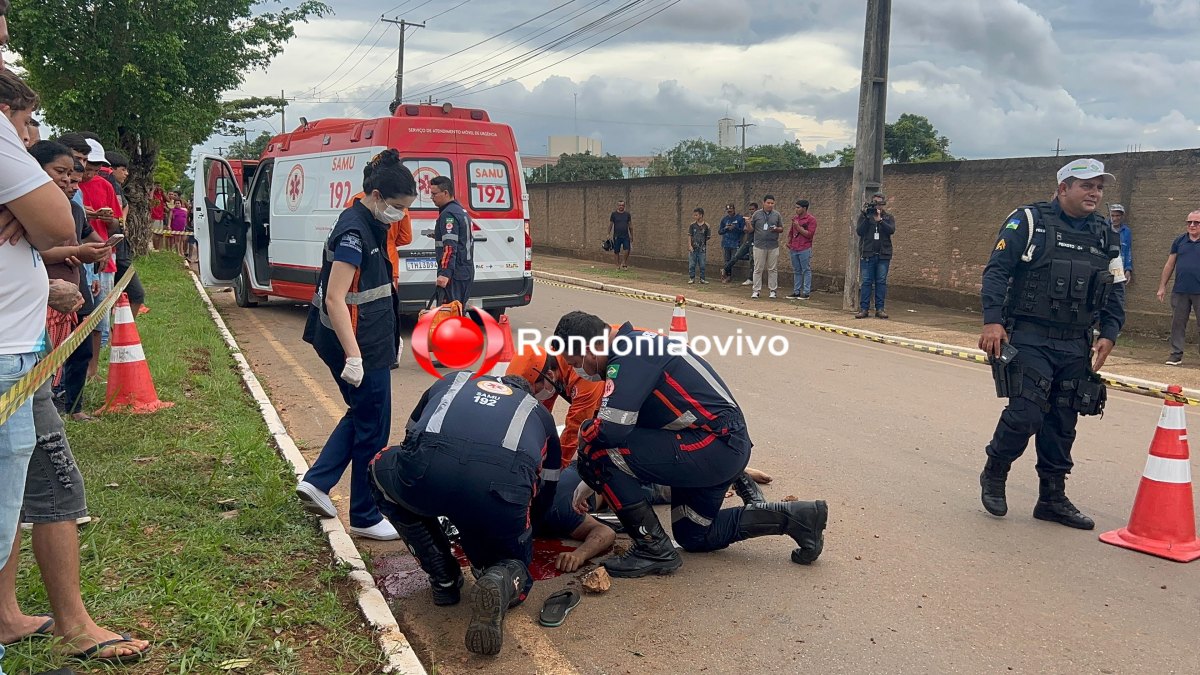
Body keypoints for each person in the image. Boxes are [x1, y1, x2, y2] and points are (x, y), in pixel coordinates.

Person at [553, 311, 828, 578]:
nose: (580, 370)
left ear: (589, 349)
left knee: (594, 443)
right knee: (694, 534)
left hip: (712, 445)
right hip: (718, 446)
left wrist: (589, 472)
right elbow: (628, 426)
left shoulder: (630, 356)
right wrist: (589, 481)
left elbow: (610, 433)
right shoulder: (636, 345)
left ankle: (652, 548)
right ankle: (798, 517)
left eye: (576, 361)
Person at [978, 158, 1125, 530]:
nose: (1095, 193)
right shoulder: (1028, 221)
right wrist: (993, 320)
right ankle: (995, 471)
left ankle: (1052, 498)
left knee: (1063, 418)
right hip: (1029, 335)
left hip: (1076, 340)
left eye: (1099, 187)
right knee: (1027, 412)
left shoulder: (1106, 234)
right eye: (1086, 186)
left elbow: (1116, 286)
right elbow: (997, 270)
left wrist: (1110, 331)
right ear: (1063, 189)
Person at [369, 372, 562, 656]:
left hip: (428, 473)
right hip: (499, 494)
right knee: (510, 561)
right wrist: (524, 532)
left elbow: (410, 438)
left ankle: (443, 577)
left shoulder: (454, 380)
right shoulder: (539, 414)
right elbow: (547, 489)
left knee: (379, 469)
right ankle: (500, 576)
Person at [296, 150, 417, 541]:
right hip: (354, 343)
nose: (400, 214)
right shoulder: (354, 231)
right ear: (378, 195)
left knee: (365, 415)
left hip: (369, 339)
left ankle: (317, 481)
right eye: (398, 207)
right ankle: (365, 514)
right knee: (373, 427)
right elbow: (335, 297)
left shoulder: (372, 223)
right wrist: (354, 357)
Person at [0, 64, 77, 675]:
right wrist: (37, 223)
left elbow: (47, 231)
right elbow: (57, 221)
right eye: (24, 126)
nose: (28, 139)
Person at [103, 150, 145, 316]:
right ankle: (122, 335)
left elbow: (124, 205)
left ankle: (122, 334)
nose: (126, 173)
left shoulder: (117, 187)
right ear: (111, 169)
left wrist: (123, 221)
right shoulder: (108, 182)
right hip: (112, 252)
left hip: (121, 250)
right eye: (123, 169)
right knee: (136, 293)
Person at [1157, 210, 1200, 366]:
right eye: (1189, 222)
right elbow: (1169, 264)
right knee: (1178, 323)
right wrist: (1162, 286)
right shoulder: (1179, 241)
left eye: (1196, 222)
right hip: (1180, 290)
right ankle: (1176, 354)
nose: (1192, 225)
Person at [430, 176, 474, 307]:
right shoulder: (460, 211)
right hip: (465, 271)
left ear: (445, 193)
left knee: (449, 313)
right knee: (458, 310)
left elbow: (450, 247)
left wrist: (444, 274)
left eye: (434, 194)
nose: (432, 198)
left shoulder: (448, 215)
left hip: (455, 273)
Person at [855, 193, 895, 318]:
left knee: (881, 282)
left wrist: (881, 221)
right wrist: (868, 217)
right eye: (875, 203)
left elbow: (891, 230)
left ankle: (880, 309)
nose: (877, 206)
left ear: (883, 205)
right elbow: (859, 231)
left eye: (879, 203)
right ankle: (864, 309)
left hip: (883, 255)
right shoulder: (865, 216)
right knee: (866, 282)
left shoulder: (888, 217)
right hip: (868, 253)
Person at [750, 195, 783, 299]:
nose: (770, 205)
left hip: (773, 245)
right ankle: (756, 290)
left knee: (772, 269)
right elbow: (751, 229)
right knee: (758, 269)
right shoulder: (756, 214)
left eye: (772, 203)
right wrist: (747, 223)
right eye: (768, 203)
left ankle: (773, 290)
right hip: (759, 245)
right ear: (763, 203)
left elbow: (781, 228)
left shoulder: (777, 215)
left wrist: (776, 229)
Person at [787, 199, 817, 300]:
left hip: (805, 247)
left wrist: (798, 227)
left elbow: (809, 234)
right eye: (796, 207)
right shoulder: (795, 219)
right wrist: (789, 241)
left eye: (798, 207)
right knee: (797, 270)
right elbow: (791, 232)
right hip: (794, 247)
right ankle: (796, 291)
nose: (796, 209)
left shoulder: (811, 219)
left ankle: (806, 292)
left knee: (806, 270)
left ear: (804, 208)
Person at [717, 203, 745, 283]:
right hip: (726, 243)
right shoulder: (724, 219)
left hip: (735, 242)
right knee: (727, 260)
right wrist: (726, 228)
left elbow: (743, 230)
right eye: (728, 211)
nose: (729, 212)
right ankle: (727, 276)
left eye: (731, 210)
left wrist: (734, 227)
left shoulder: (739, 218)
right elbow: (720, 231)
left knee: (734, 259)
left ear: (734, 209)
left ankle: (724, 270)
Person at [1109, 204, 1133, 284]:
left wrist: (1128, 269)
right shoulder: (1104, 228)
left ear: (1122, 216)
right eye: (1112, 215)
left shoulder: (1126, 231)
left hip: (1120, 269)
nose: (1114, 219)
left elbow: (1128, 251)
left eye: (1117, 216)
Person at [687, 207, 710, 284]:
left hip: (702, 249)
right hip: (693, 249)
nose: (695, 217)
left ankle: (702, 279)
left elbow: (707, 237)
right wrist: (690, 246)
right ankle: (692, 278)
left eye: (696, 215)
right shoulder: (692, 225)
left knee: (702, 265)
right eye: (694, 215)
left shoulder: (707, 226)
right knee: (692, 264)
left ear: (701, 215)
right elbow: (689, 235)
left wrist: (702, 243)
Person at [609, 200, 632, 269]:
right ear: (618, 206)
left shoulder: (627, 214)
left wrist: (632, 235)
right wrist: (608, 233)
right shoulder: (614, 214)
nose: (621, 206)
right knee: (616, 251)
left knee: (627, 249)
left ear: (624, 206)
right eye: (620, 205)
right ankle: (617, 265)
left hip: (625, 235)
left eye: (622, 205)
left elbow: (630, 225)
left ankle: (624, 262)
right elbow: (610, 224)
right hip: (617, 235)